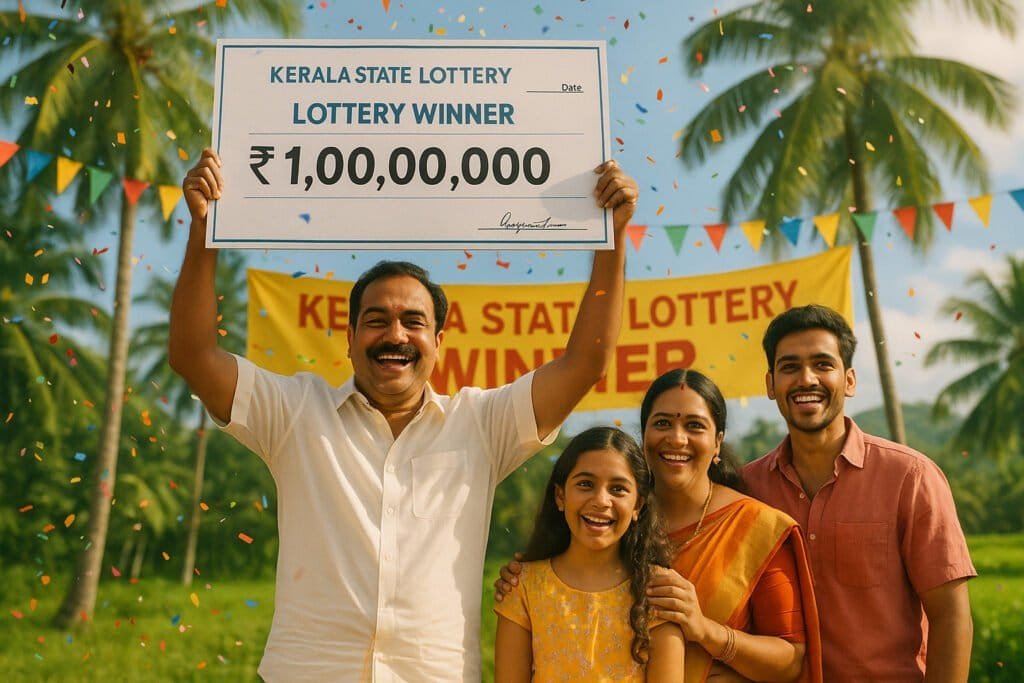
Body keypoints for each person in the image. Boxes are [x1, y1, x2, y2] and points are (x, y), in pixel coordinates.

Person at [169, 148, 638, 681]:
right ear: (349, 339)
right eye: (376, 320)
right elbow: (192, 355)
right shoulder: (296, 413)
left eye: (413, 322)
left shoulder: (482, 424)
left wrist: (613, 236)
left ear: (438, 342)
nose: (395, 335)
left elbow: (585, 362)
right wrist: (206, 228)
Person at [498, 369, 822, 682]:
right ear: (644, 436)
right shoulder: (613, 516)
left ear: (718, 442)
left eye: (694, 425)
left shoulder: (755, 527)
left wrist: (706, 631)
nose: (677, 438)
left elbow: (792, 662)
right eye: (663, 423)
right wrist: (527, 580)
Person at [740, 304, 976, 681]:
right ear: (770, 384)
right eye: (789, 367)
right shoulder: (748, 490)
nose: (806, 379)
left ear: (849, 380)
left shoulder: (910, 477)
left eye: (822, 364)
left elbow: (950, 614)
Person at [493, 426, 685, 682]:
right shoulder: (523, 587)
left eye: (618, 489)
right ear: (560, 496)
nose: (601, 500)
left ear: (638, 505)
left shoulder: (658, 590)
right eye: (585, 484)